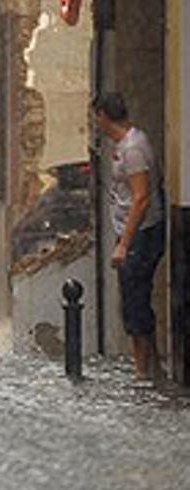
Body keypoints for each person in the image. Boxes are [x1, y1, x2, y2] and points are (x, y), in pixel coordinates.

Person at [93, 92, 165, 384]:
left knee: (134, 301)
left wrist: (124, 243)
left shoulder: (133, 149)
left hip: (139, 235)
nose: (94, 122)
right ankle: (153, 366)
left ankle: (141, 372)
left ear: (103, 115)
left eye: (95, 116)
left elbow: (141, 197)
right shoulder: (128, 145)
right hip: (136, 233)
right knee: (138, 298)